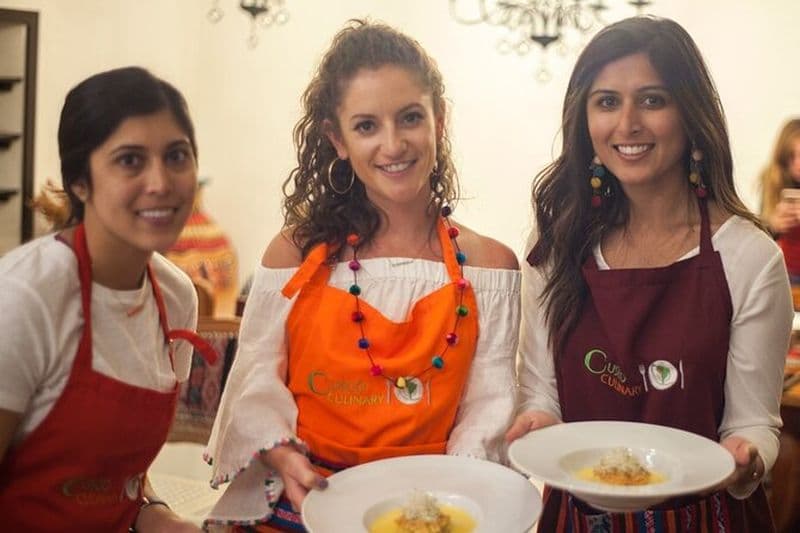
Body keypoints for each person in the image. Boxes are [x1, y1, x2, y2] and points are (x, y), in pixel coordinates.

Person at [204, 19, 520, 531]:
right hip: (302, 503)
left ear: (440, 120)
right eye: (367, 125)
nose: (392, 145)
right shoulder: (295, 253)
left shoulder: (489, 266)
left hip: (429, 511)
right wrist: (282, 453)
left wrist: (438, 509)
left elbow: (487, 415)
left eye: (410, 117)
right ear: (338, 139)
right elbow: (257, 383)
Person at [506, 16, 792, 532]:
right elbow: (541, 391)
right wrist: (539, 421)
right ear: (584, 120)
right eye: (607, 101)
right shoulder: (554, 245)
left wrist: (748, 454)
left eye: (653, 100)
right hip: (577, 517)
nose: (627, 123)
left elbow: (754, 422)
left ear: (690, 115)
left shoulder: (750, 258)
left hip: (708, 518)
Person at [0, 66, 211, 532]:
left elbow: (124, 480)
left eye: (177, 155)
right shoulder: (24, 300)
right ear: (80, 181)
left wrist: (162, 519)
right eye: (130, 160)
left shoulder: (175, 299)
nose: (161, 182)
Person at [759, 118, 800, 283]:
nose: (798, 163)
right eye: (791, 156)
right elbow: (758, 238)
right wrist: (773, 225)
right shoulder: (773, 180)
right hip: (786, 271)